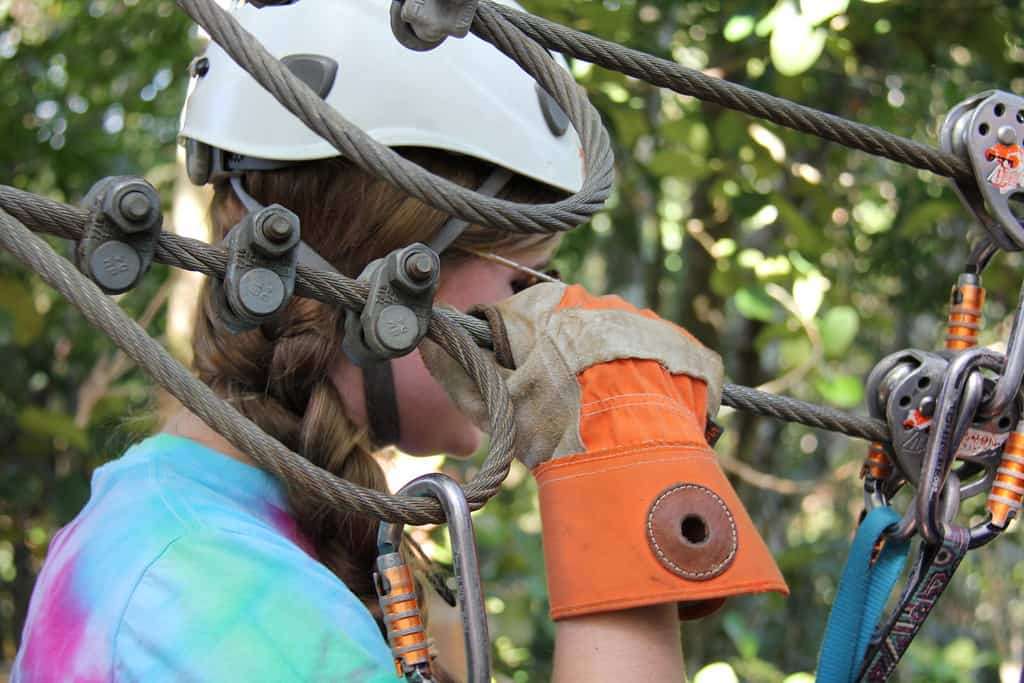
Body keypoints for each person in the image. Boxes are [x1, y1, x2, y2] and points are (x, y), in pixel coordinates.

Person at [13, 1, 787, 680]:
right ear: (391, 273)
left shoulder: (260, 532)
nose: (553, 309)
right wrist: (622, 460)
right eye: (525, 278)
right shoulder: (199, 587)